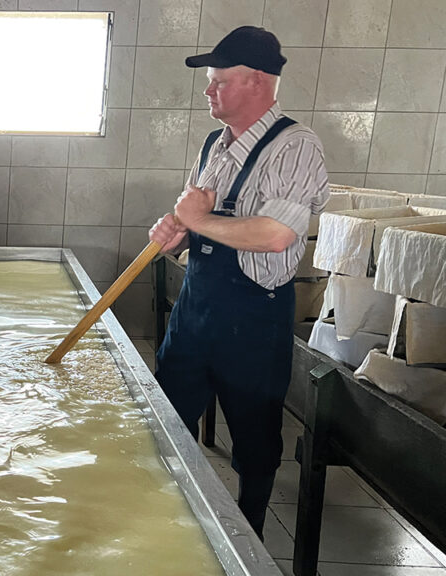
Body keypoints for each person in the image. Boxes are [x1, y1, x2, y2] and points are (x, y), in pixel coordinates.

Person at [149, 26, 330, 537]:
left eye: (218, 82)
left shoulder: (295, 147)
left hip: (253, 317)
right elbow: (189, 220)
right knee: (168, 414)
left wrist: (197, 221)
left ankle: (248, 532)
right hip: (197, 307)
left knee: (254, 434)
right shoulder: (213, 145)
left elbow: (275, 235)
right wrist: (172, 234)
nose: (208, 92)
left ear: (256, 81)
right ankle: (167, 520)